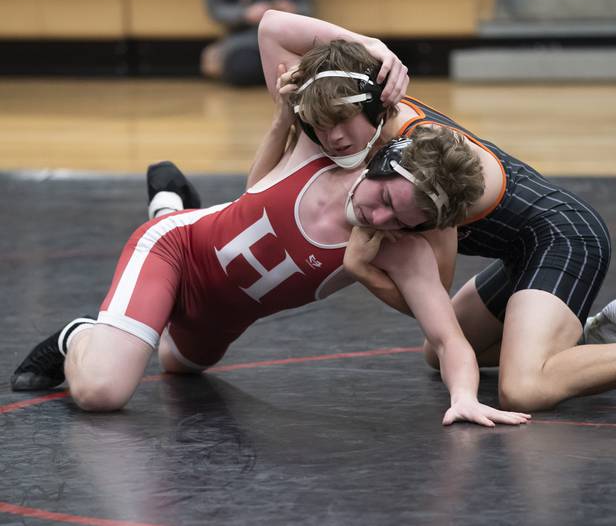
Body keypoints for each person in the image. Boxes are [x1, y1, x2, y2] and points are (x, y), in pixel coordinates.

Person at [254, 11, 616, 409]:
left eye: (341, 131)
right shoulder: (347, 115)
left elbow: (430, 298)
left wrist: (364, 269)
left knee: (524, 386)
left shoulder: (419, 166)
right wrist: (366, 45)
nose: (330, 142)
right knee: (438, 357)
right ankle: (603, 333)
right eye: (318, 129)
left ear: (377, 112)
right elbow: (273, 29)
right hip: (518, 250)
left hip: (564, 237)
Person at [10, 66, 531, 426]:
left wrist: (464, 396)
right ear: (381, 162)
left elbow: (451, 341)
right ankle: (76, 334)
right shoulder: (325, 148)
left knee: (177, 366)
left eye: (402, 220)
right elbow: (280, 35)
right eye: (385, 198)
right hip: (175, 253)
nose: (380, 217)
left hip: (222, 315)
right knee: (103, 391)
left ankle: (171, 202)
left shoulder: (400, 251)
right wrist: (371, 54)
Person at [201, 0, 311, 86]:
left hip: (284, 39)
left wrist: (292, 8)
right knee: (244, 69)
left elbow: (307, 7)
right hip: (243, 39)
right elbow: (215, 9)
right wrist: (245, 13)